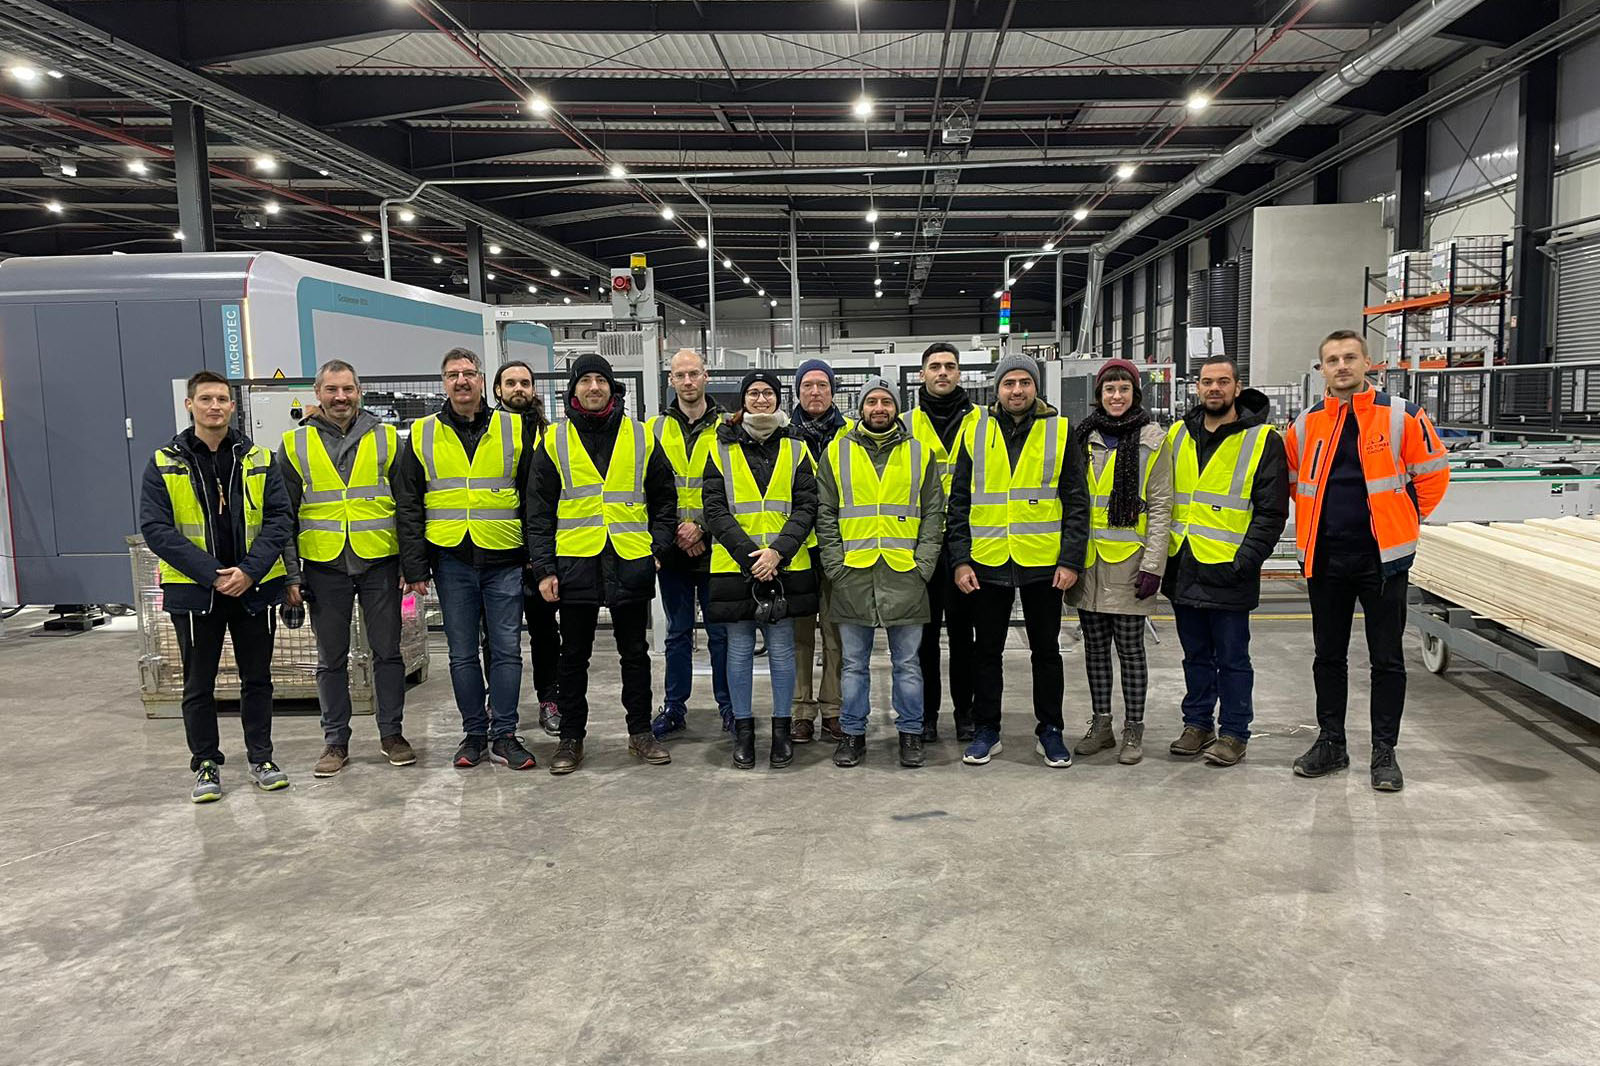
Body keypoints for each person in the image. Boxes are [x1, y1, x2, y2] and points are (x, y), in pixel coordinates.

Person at [1286, 330, 1450, 791]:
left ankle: (1384, 752)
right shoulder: (1306, 424)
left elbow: (1434, 475)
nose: (1342, 366)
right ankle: (1331, 742)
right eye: (1332, 360)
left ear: (1367, 362)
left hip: (1384, 560)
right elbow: (1293, 484)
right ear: (1322, 369)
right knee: (1328, 657)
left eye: (1350, 357)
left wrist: (1405, 518)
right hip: (1325, 558)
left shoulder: (1402, 416)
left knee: (1387, 659)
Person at [139, 370, 293, 802]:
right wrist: (213, 573)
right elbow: (157, 529)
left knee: (257, 680)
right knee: (198, 683)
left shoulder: (260, 458)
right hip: (195, 593)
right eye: (205, 398)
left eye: (222, 399)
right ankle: (206, 763)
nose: (215, 406)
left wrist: (249, 571)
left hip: (254, 589)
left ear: (232, 406)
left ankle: (261, 756)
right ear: (190, 405)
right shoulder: (163, 462)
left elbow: (280, 519)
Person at [527, 353, 678, 775]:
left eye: (601, 380)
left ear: (613, 388)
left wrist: (659, 548)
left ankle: (640, 733)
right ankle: (570, 738)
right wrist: (544, 569)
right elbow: (537, 512)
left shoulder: (641, 436)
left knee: (635, 653)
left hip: (631, 558)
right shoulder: (553, 440)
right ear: (573, 389)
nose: (594, 387)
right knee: (573, 656)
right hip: (575, 562)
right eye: (585, 381)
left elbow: (665, 500)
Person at [394, 347, 539, 771]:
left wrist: (534, 556)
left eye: (469, 374)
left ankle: (506, 734)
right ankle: (474, 734)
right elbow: (409, 503)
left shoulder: (515, 429)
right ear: (444, 382)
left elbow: (533, 495)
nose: (461, 381)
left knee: (507, 652)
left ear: (482, 381)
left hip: (504, 557)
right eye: (453, 374)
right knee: (461, 654)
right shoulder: (421, 433)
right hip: (451, 559)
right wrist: (415, 565)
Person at [947, 354, 1090, 769]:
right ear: (997, 389)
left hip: (1043, 564)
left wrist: (1071, 560)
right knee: (985, 651)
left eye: (1024, 382)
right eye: (1008, 383)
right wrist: (960, 560)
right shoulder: (975, 432)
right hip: (987, 560)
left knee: (1046, 651)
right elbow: (959, 503)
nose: (1016, 390)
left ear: (1036, 387)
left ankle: (1051, 730)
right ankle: (986, 728)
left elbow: (1076, 502)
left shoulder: (1060, 431)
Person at [278, 359, 415, 778]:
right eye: (332, 390)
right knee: (330, 658)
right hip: (323, 565)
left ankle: (391, 734)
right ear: (317, 394)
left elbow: (409, 506)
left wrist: (411, 562)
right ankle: (335, 740)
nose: (341, 398)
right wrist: (291, 574)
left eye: (348, 389)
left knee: (388, 653)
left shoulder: (389, 439)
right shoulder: (294, 444)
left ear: (359, 392)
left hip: (380, 561)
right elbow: (282, 515)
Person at [1162, 354, 1289, 768]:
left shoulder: (1262, 439)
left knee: (1233, 659)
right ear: (1196, 387)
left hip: (1229, 570)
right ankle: (1197, 724)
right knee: (1195, 655)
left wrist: (1246, 561)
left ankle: (1235, 732)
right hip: (1184, 565)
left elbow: (1272, 512)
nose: (1213, 388)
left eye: (1222, 381)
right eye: (1206, 382)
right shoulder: (1178, 434)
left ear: (1237, 387)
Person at [817, 376, 945, 769]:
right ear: (861, 407)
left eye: (886, 402)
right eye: (871, 401)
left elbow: (933, 513)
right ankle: (853, 735)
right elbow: (825, 513)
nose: (878, 408)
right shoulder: (835, 453)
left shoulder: (920, 454)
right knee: (853, 665)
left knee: (908, 664)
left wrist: (923, 565)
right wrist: (835, 566)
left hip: (904, 574)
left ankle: (910, 733)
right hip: (852, 575)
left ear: (895, 408)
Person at [701, 370, 818, 769]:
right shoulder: (719, 449)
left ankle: (781, 733)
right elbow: (714, 510)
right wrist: (754, 556)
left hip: (784, 565)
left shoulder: (798, 449)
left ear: (779, 399)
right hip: (738, 566)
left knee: (783, 651)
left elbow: (807, 507)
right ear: (743, 400)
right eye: (754, 393)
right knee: (738, 651)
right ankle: (745, 733)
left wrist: (777, 554)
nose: (762, 399)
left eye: (769, 393)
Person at [1065, 360, 1173, 766]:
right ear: (1099, 394)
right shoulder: (1082, 437)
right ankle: (1103, 724)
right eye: (1109, 389)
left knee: (1130, 650)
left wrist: (1153, 564)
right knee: (1094, 650)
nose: (1115, 396)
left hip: (1130, 564)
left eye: (1123, 389)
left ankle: (1134, 729)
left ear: (1135, 394)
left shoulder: (1153, 440)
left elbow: (1162, 505)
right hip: (1089, 564)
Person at [647, 348, 733, 738]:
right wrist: (672, 538)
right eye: (679, 375)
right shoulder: (653, 430)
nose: (687, 381)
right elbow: (646, 491)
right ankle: (674, 707)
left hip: (716, 547)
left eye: (693, 374)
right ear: (670, 380)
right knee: (677, 633)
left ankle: (730, 706)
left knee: (721, 633)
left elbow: (737, 488)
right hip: (673, 550)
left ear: (706, 376)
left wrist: (701, 527)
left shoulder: (730, 427)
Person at [901, 342, 980, 743]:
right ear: (922, 374)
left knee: (964, 636)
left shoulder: (982, 420)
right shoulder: (904, 423)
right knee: (923, 637)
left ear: (960, 373)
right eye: (935, 367)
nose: (943, 373)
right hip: (921, 545)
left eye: (950, 366)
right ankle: (927, 713)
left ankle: (965, 713)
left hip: (968, 545)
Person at [489, 360, 562, 736]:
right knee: (495, 634)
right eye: (511, 383)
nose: (519, 388)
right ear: (498, 389)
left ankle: (550, 698)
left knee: (545, 630)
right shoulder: (484, 432)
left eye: (526, 383)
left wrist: (542, 553)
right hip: (494, 548)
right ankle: (496, 704)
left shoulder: (548, 434)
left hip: (537, 550)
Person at [788, 358, 849, 742]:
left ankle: (832, 710)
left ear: (832, 390)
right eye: (807, 385)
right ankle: (801, 712)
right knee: (798, 637)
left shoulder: (849, 437)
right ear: (797, 391)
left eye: (821, 385)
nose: (814, 392)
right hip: (795, 550)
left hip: (837, 549)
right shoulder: (782, 436)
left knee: (834, 634)